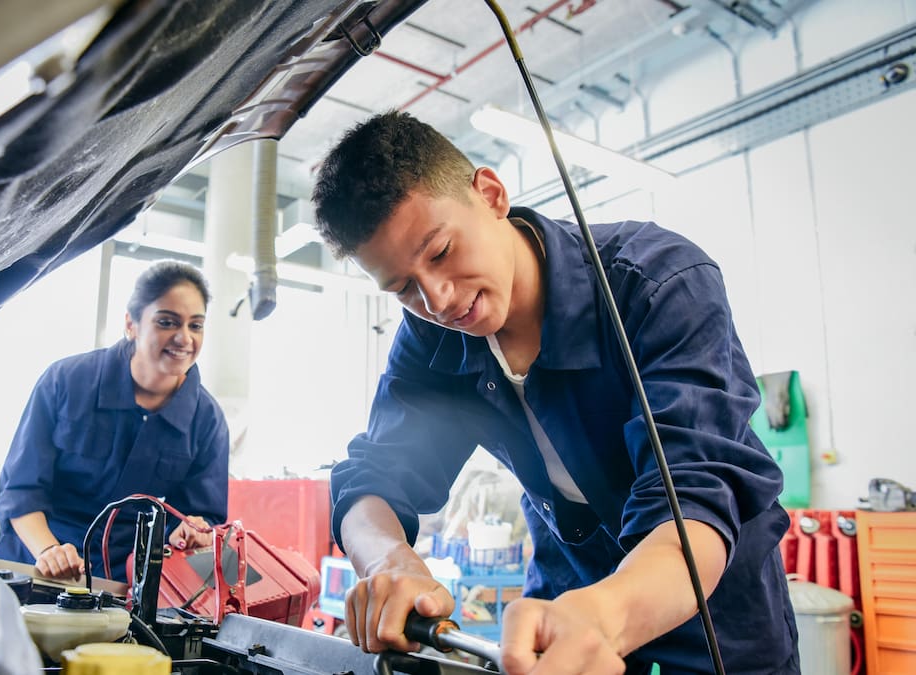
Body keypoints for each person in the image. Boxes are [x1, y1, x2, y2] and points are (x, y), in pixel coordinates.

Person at [311, 111, 798, 674]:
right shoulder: (432, 340)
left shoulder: (658, 284)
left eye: (441, 252)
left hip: (708, 611)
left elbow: (695, 493)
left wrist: (608, 615)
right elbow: (376, 474)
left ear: (491, 194)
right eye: (402, 288)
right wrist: (389, 561)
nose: (438, 300)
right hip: (561, 604)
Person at [0, 260, 229, 589]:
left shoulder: (207, 420)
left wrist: (193, 531)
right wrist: (49, 551)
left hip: (123, 586)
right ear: (131, 324)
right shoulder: (66, 382)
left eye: (196, 325)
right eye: (166, 322)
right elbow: (20, 492)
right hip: (32, 565)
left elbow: (203, 519)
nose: (183, 338)